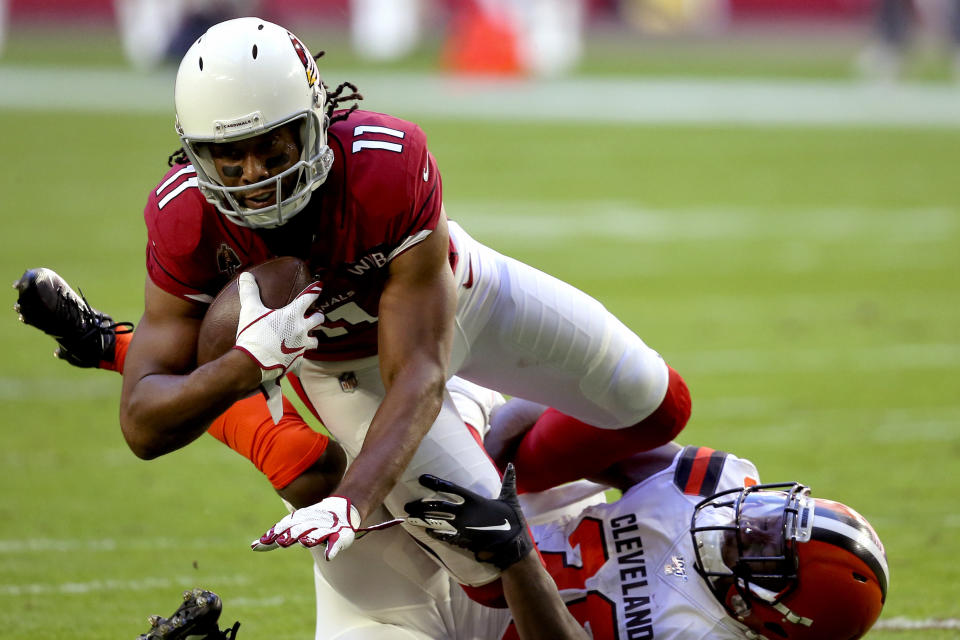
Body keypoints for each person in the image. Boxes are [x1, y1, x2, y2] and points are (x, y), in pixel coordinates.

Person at [82, 14, 689, 595]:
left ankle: (497, 452)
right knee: (486, 577)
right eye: (231, 157)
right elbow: (143, 425)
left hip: (464, 299)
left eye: (274, 149)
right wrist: (247, 364)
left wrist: (356, 498)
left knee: (656, 406)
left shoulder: (384, 165)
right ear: (196, 153)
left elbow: (421, 368)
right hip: (348, 368)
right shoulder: (184, 219)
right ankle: (485, 472)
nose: (255, 176)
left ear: (317, 120)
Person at [14, 277, 885, 640]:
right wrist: (500, 448)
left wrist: (505, 556)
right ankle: (117, 344)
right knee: (324, 460)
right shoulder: (720, 487)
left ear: (772, 621)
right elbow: (604, 439)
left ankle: (115, 347)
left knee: (314, 485)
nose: (750, 525)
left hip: (454, 613)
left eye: (768, 551)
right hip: (503, 497)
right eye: (777, 517)